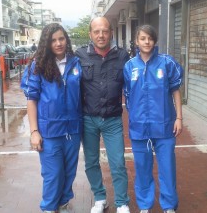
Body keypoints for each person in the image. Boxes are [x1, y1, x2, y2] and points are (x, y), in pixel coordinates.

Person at [20, 23, 82, 213]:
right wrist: (34, 131)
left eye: (61, 38)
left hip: (73, 129)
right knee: (53, 174)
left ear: (66, 39)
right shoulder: (36, 66)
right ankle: (48, 207)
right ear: (46, 43)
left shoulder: (76, 63)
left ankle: (63, 204)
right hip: (49, 131)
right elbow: (32, 100)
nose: (58, 43)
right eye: (53, 40)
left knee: (69, 172)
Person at [123, 25, 183, 213]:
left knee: (167, 168)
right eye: (142, 38)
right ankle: (145, 205)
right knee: (142, 169)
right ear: (136, 41)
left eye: (149, 38)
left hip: (164, 126)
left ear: (154, 41)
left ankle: (169, 206)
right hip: (139, 128)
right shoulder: (129, 66)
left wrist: (179, 118)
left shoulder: (167, 63)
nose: (146, 42)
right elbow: (128, 95)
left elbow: (175, 91)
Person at [75, 16, 130, 213]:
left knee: (118, 163)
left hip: (113, 119)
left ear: (111, 33)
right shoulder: (80, 55)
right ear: (90, 34)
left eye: (105, 31)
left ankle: (122, 202)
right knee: (91, 162)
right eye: (96, 31)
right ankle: (100, 198)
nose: (101, 35)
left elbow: (134, 85)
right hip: (88, 118)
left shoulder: (123, 56)